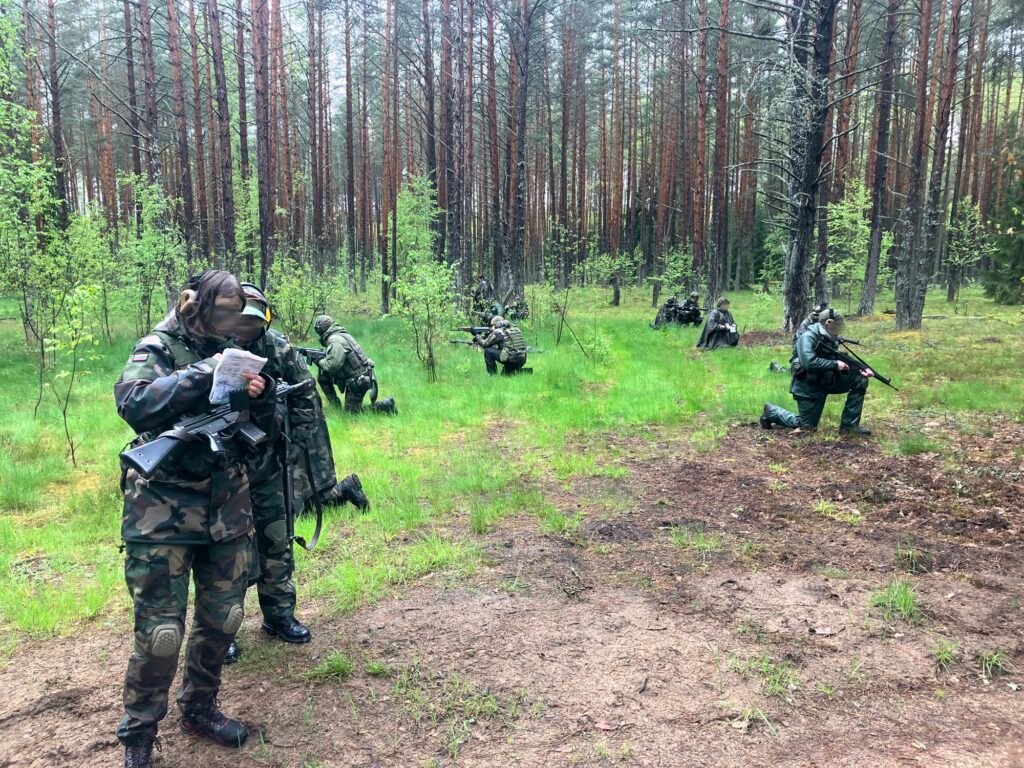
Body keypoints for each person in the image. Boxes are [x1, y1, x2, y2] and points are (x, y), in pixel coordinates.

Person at [114, 270, 278, 767]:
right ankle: (139, 733)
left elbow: (258, 432)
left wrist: (260, 397)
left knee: (224, 618)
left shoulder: (231, 349)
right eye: (222, 314)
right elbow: (134, 403)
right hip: (161, 511)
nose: (231, 324)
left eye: (236, 316)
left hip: (226, 506)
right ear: (193, 305)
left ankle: (200, 707)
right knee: (160, 633)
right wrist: (203, 374)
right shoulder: (158, 347)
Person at [224, 286, 370, 665]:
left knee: (277, 537)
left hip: (272, 460)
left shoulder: (278, 347)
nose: (246, 328)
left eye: (253, 321)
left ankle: (279, 616)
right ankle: (222, 631)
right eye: (240, 320)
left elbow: (306, 396)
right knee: (228, 551)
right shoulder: (213, 347)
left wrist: (297, 446)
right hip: (225, 468)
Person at [760, 308, 873, 435]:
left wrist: (860, 369)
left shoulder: (830, 337)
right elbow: (809, 362)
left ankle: (849, 426)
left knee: (860, 380)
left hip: (826, 381)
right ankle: (771, 412)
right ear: (829, 323)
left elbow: (838, 357)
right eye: (839, 325)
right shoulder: (808, 337)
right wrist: (835, 364)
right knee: (807, 427)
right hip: (808, 386)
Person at [312, 315, 396, 414]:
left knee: (352, 413)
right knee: (323, 374)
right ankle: (335, 406)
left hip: (358, 381)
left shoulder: (335, 339)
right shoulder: (340, 335)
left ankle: (386, 405)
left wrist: (320, 361)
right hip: (357, 376)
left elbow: (333, 365)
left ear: (320, 329)